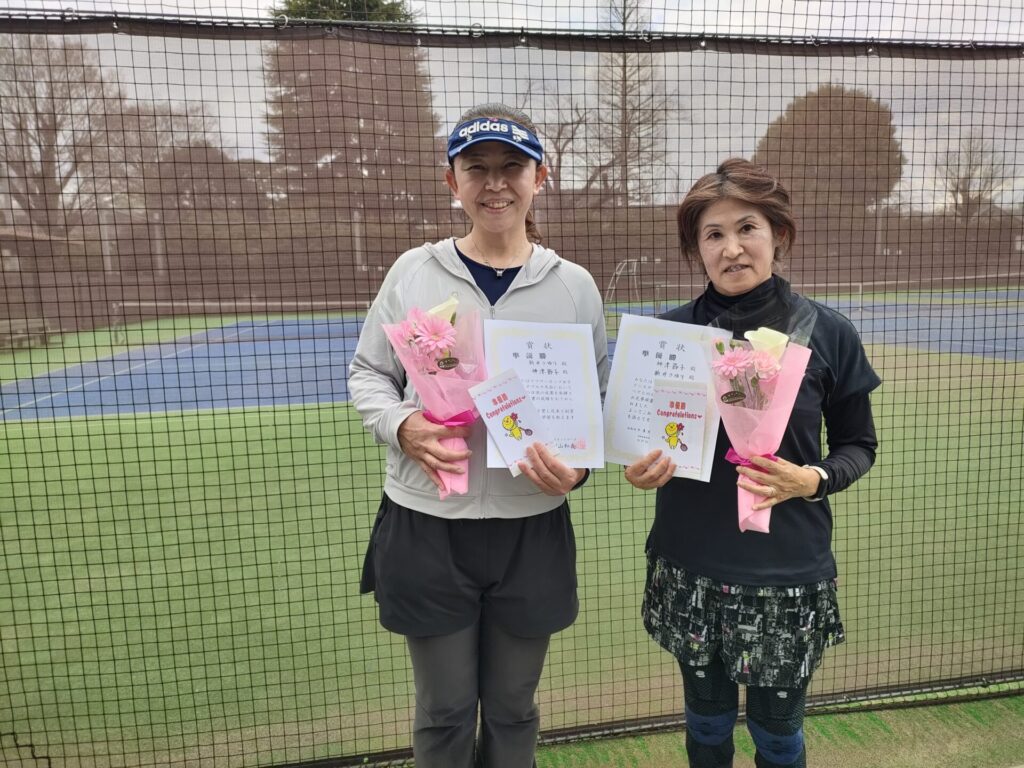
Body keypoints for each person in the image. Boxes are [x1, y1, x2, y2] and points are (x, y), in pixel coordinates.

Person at [349, 103, 609, 767]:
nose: (495, 183)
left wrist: (580, 468)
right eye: (477, 168)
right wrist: (402, 425)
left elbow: (598, 400)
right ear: (453, 182)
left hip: (532, 528)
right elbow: (368, 373)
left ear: (539, 178)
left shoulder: (574, 287)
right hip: (427, 524)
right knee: (444, 711)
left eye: (512, 167)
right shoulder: (414, 271)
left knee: (515, 707)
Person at [624, 158, 880, 768]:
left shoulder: (827, 332)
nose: (731, 248)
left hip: (786, 571)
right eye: (713, 234)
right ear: (697, 249)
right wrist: (639, 466)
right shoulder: (667, 338)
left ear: (778, 235)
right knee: (707, 724)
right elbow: (642, 440)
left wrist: (811, 479)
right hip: (691, 565)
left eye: (747, 229)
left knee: (778, 735)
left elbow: (858, 445)